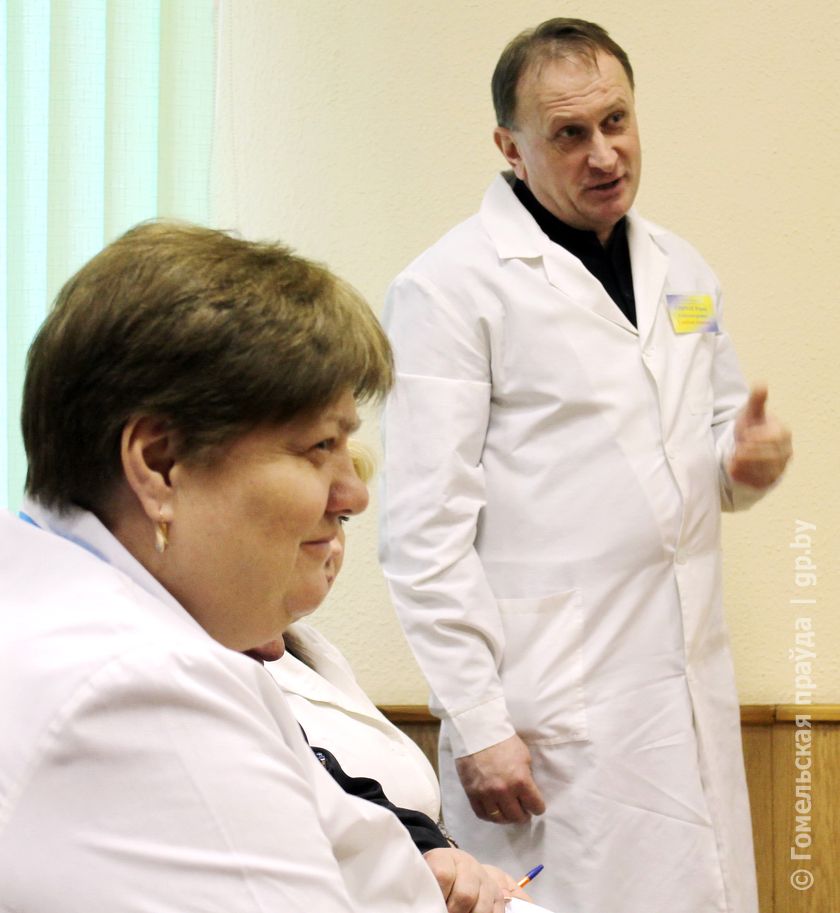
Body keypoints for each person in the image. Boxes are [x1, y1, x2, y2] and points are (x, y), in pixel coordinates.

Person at [379, 18, 792, 913]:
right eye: (569, 133)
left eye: (616, 121)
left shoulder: (681, 269)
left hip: (681, 690)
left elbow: (712, 449)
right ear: (511, 147)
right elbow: (421, 532)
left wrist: (745, 462)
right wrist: (478, 724)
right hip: (547, 719)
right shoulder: (450, 288)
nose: (604, 154)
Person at [0, 221, 453, 913]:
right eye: (319, 446)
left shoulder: (90, 609)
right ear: (159, 464)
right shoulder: (140, 688)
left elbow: (365, 861)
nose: (353, 494)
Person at [249, 447, 531, 908]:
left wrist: (456, 865)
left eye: (339, 520)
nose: (335, 540)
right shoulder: (219, 665)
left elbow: (360, 799)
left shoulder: (309, 651)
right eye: (318, 516)